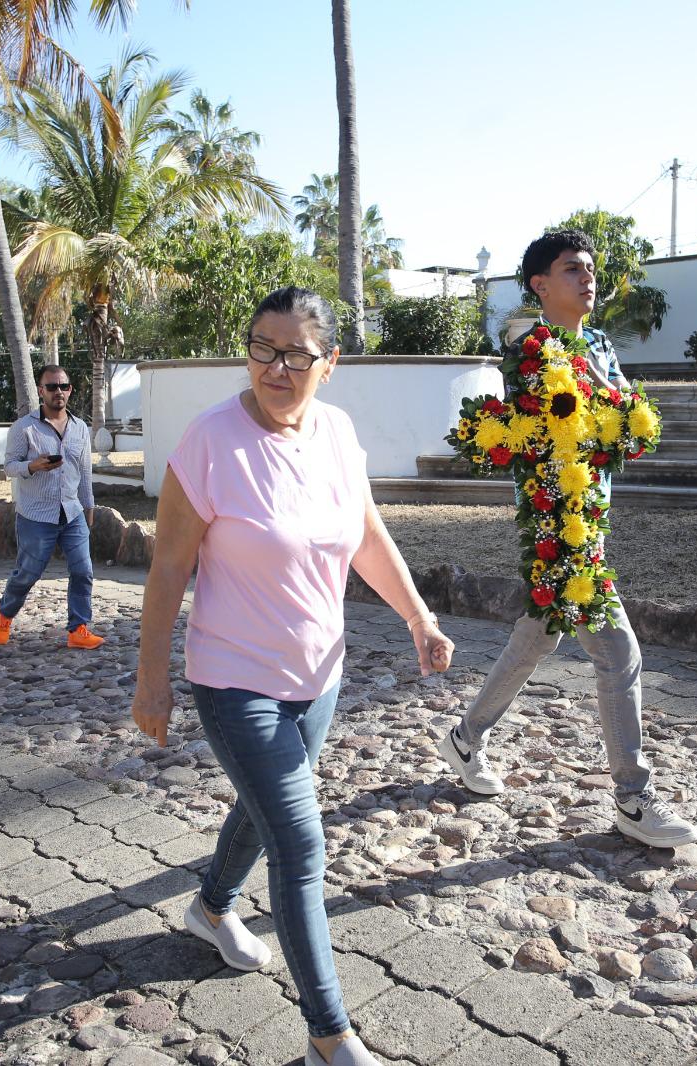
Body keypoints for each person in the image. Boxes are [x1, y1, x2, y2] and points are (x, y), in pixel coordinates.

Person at [131, 287, 454, 1066]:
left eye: (296, 354)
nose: (275, 368)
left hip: (321, 673)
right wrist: (152, 678)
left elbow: (366, 532)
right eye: (261, 349)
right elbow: (169, 568)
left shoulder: (337, 434)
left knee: (266, 807)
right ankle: (330, 1036)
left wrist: (417, 615)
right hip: (233, 675)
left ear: (329, 363)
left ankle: (209, 911)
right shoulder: (208, 442)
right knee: (301, 843)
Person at [437, 230, 697, 849]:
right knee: (619, 654)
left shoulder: (601, 346)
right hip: (561, 528)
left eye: (590, 269)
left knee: (535, 641)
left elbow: (616, 421)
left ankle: (465, 738)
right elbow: (549, 432)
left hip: (593, 512)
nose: (588, 279)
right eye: (571, 269)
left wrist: (629, 428)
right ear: (539, 285)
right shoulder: (529, 350)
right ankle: (633, 798)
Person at [0, 365, 104, 649]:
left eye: (63, 386)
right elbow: (8, 467)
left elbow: (85, 472)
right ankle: (4, 612)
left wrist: (89, 507)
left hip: (73, 512)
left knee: (82, 570)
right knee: (29, 572)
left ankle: (78, 628)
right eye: (51, 387)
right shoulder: (23, 428)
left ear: (70, 390)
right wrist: (33, 466)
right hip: (36, 515)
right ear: (41, 391)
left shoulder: (80, 428)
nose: (58, 392)